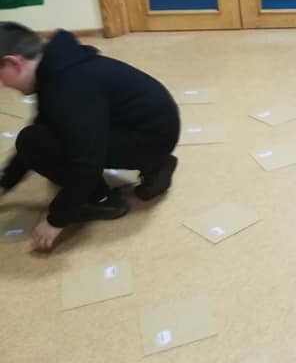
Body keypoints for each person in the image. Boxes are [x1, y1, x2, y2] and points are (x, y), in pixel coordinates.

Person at [0, 24, 180, 251]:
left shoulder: (67, 86)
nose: (3, 85)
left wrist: (56, 219)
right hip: (151, 127)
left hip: (150, 138)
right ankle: (157, 165)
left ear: (14, 63)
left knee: (39, 143)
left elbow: (87, 160)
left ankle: (103, 201)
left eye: (0, 77)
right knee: (37, 138)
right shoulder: (56, 65)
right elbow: (44, 125)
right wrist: (5, 183)